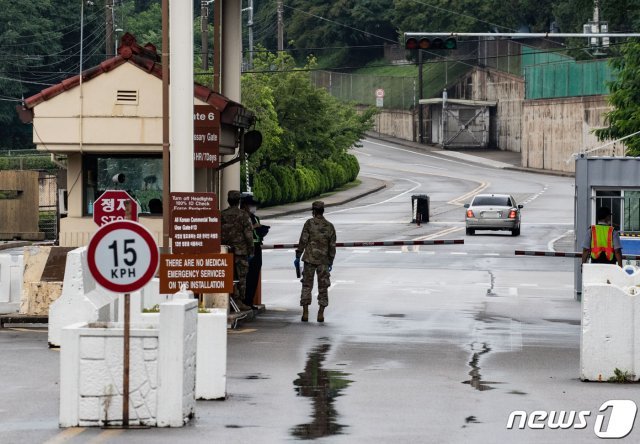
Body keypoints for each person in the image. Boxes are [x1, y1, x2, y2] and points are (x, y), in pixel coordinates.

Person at [294, 201, 336, 323]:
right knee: (323, 286)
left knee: (307, 285)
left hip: (309, 259)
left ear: (313, 211)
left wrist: (298, 255)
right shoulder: (329, 226)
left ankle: (305, 312)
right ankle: (320, 313)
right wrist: (331, 261)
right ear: (323, 211)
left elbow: (303, 240)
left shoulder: (309, 224)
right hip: (323, 261)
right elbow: (332, 246)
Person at [221, 190, 255, 311]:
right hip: (241, 251)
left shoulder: (222, 215)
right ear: (239, 201)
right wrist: (251, 249)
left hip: (225, 251)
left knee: (227, 275)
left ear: (228, 201)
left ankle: (228, 298)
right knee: (241, 277)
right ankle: (239, 301)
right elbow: (248, 235)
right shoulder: (243, 215)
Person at [241, 193, 270, 307]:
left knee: (254, 275)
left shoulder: (255, 217)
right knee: (246, 277)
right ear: (244, 206)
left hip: (256, 248)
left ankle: (250, 301)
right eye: (251, 205)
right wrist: (253, 227)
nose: (253, 208)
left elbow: (256, 234)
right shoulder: (242, 217)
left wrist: (261, 230)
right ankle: (244, 301)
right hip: (246, 249)